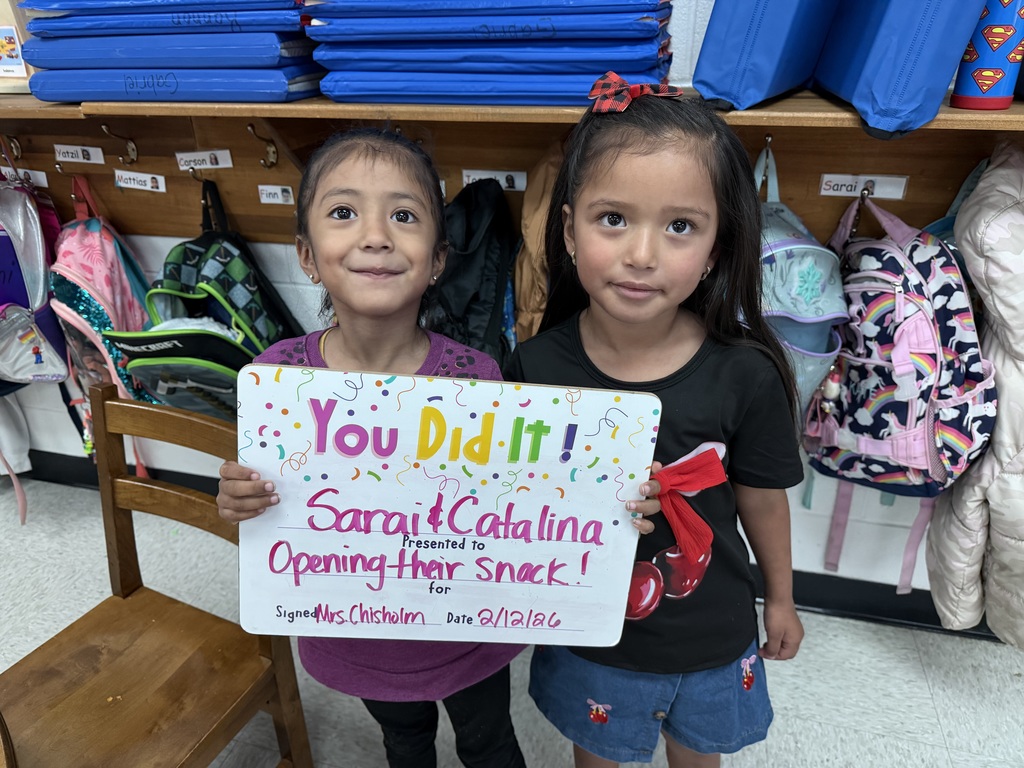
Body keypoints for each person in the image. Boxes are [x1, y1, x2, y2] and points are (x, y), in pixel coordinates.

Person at [503, 75, 805, 768]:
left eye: (679, 227)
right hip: (589, 635)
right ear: (571, 230)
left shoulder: (745, 374)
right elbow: (512, 503)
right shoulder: (534, 366)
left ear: (716, 251)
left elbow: (762, 498)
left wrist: (782, 599)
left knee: (699, 757)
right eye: (613, 219)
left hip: (712, 632)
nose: (642, 255)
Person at [216, 128, 528, 768]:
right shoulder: (279, 380)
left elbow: (515, 506)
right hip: (356, 631)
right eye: (343, 212)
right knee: (404, 742)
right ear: (307, 255)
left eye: (404, 215)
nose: (376, 235)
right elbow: (262, 494)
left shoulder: (479, 378)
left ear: (438, 259)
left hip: (465, 631)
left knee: (490, 743)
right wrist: (237, 495)